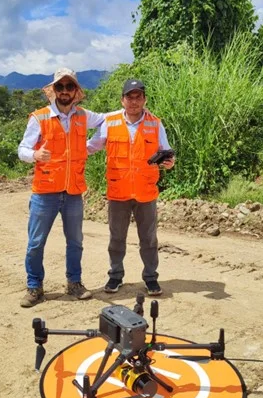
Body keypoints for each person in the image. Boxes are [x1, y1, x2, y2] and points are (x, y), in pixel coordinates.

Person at [18, 67, 104, 307]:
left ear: (76, 91)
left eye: (69, 86)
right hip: (45, 193)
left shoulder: (84, 116)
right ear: (53, 91)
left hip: (73, 192)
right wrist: (35, 154)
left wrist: (91, 145)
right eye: (60, 87)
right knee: (36, 242)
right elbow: (21, 150)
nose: (65, 91)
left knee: (75, 241)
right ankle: (34, 287)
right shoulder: (40, 117)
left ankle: (74, 283)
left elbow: (109, 119)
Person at [87, 79, 175, 296]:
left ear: (144, 99)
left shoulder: (155, 123)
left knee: (149, 238)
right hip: (119, 192)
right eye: (130, 97)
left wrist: (170, 161)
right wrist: (69, 150)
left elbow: (167, 151)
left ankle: (151, 278)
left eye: (138, 97)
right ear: (122, 100)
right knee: (116, 237)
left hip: (145, 192)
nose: (134, 101)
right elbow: (91, 146)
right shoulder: (110, 122)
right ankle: (115, 276)